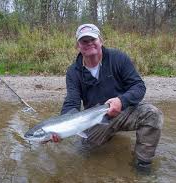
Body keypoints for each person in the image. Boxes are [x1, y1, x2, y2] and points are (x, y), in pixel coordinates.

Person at [50, 24, 163, 170]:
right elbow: (72, 102)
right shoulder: (73, 72)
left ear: (101, 41)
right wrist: (61, 127)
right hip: (96, 118)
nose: (89, 43)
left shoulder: (118, 58)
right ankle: (108, 136)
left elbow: (139, 87)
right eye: (84, 41)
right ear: (78, 46)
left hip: (124, 111)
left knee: (152, 114)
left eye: (93, 39)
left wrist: (121, 101)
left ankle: (143, 164)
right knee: (85, 155)